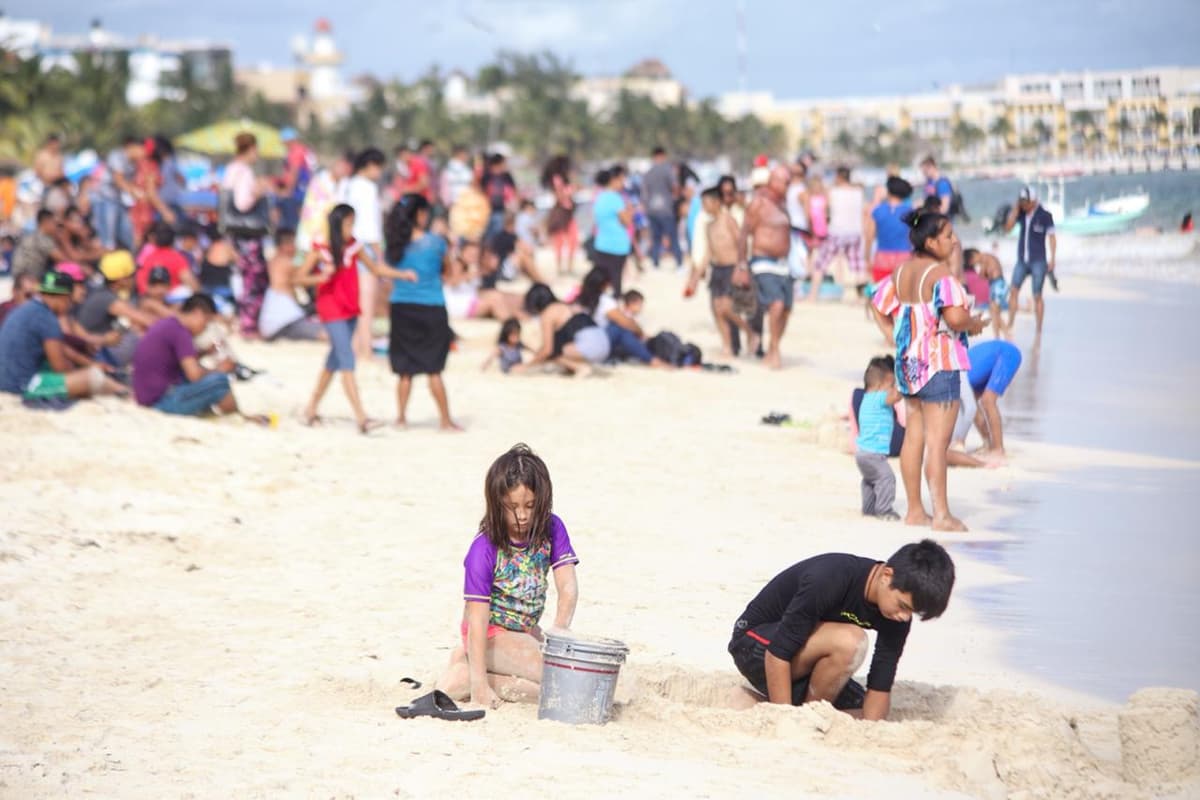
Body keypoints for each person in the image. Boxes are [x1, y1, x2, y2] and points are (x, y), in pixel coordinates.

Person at [727, 540, 955, 721]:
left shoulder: (897, 616)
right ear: (887, 576)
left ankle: (753, 704)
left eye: (911, 613)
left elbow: (881, 683)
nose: (904, 617)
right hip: (755, 648)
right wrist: (784, 719)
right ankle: (798, 717)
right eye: (903, 606)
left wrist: (871, 723)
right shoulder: (830, 578)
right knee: (851, 642)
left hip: (802, 661)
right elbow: (778, 653)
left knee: (866, 710)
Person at [435, 443, 580, 707]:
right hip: (489, 633)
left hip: (525, 630)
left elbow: (567, 585)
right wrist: (480, 688)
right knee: (557, 684)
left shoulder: (552, 528)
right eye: (512, 506)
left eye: (530, 505)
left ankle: (467, 665)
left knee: (562, 674)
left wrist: (559, 633)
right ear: (497, 503)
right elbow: (478, 618)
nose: (522, 515)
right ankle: (470, 675)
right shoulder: (484, 548)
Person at [886, 211, 986, 532]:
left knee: (913, 436)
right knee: (937, 444)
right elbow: (955, 319)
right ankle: (941, 514)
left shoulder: (901, 272)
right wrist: (974, 324)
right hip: (939, 362)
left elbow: (880, 304)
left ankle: (915, 510)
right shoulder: (942, 275)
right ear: (931, 242)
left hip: (907, 363)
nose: (955, 241)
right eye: (948, 236)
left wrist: (898, 337)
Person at [301, 203, 416, 433]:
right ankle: (362, 418)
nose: (351, 228)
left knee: (334, 360)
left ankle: (311, 408)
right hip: (331, 309)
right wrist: (322, 277)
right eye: (348, 223)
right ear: (337, 225)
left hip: (350, 309)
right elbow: (300, 277)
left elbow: (375, 269)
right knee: (346, 360)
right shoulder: (320, 248)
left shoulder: (354, 246)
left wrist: (401, 274)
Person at [384, 193, 461, 431]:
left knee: (405, 370)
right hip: (431, 306)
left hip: (401, 307)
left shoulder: (395, 245)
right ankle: (445, 421)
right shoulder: (436, 242)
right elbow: (450, 273)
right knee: (434, 369)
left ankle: (401, 418)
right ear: (419, 214)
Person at [0, 271, 125, 402]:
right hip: (20, 386)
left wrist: (91, 364)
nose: (69, 306)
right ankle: (122, 391)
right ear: (65, 298)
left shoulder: (24, 309)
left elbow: (61, 348)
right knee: (91, 378)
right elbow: (60, 368)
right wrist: (83, 373)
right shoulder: (47, 318)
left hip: (5, 380)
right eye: (70, 302)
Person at [132, 293, 254, 418]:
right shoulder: (181, 333)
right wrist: (221, 369)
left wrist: (204, 354)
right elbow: (194, 375)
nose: (205, 327)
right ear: (197, 313)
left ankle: (234, 415)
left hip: (147, 398)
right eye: (206, 321)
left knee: (213, 380)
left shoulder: (170, 325)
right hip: (161, 402)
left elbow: (181, 365)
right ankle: (238, 416)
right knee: (220, 380)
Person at [688, 187, 758, 358]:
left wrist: (741, 267)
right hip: (717, 269)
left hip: (731, 267)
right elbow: (708, 253)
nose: (704, 207)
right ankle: (726, 346)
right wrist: (695, 278)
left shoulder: (728, 220)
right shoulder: (708, 225)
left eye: (706, 203)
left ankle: (750, 333)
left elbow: (740, 242)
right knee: (716, 310)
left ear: (716, 202)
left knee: (727, 308)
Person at [736, 165, 794, 370]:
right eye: (783, 181)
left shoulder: (783, 206)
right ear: (772, 182)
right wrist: (741, 265)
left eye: (788, 182)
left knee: (786, 309)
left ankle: (773, 346)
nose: (786, 186)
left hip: (784, 265)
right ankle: (775, 350)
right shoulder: (758, 205)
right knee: (776, 304)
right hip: (763, 261)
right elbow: (744, 234)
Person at [222, 132, 272, 336]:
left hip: (235, 233)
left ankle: (245, 322)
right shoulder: (244, 172)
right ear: (251, 149)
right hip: (248, 234)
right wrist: (259, 191)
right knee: (254, 279)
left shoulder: (230, 169)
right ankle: (249, 324)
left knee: (243, 278)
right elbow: (243, 203)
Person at [341, 147, 388, 359]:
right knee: (366, 304)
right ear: (370, 166)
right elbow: (371, 227)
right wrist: (379, 256)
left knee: (352, 303)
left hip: (345, 247)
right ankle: (366, 350)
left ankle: (352, 347)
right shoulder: (368, 189)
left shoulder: (345, 185)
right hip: (365, 247)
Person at [75, 250, 156, 366]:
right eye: (132, 275)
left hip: (99, 351)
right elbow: (148, 321)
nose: (135, 277)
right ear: (121, 280)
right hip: (96, 355)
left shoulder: (104, 292)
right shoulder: (106, 298)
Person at [576, 270, 667, 368]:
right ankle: (652, 360)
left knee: (621, 334)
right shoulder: (604, 301)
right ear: (605, 284)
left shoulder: (579, 299)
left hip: (578, 343)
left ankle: (648, 357)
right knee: (620, 329)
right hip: (595, 344)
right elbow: (626, 323)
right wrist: (641, 333)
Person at [522, 283, 610, 377]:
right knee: (558, 345)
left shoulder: (547, 314)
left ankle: (579, 367)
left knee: (551, 351)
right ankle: (573, 368)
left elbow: (547, 350)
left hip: (589, 346)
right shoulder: (566, 305)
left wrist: (526, 366)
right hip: (605, 343)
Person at [1004, 185, 1056, 335]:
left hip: (1039, 261)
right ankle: (1010, 324)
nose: (1023, 205)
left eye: (1025, 202)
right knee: (1013, 291)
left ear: (1033, 201)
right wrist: (1015, 209)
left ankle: (1039, 329)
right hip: (1022, 260)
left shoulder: (1045, 216)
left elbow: (1052, 238)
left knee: (1037, 295)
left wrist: (1052, 259)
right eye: (1021, 202)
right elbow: (1007, 229)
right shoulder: (1020, 214)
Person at [856, 356, 902, 520]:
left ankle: (869, 509)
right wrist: (904, 381)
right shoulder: (879, 398)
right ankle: (884, 510)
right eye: (891, 385)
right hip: (873, 454)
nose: (892, 388)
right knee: (886, 477)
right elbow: (897, 396)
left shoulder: (866, 399)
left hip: (862, 453)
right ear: (878, 386)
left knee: (870, 480)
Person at [259, 228, 325, 341]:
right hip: (285, 320)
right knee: (324, 332)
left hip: (277, 321)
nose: (296, 247)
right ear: (284, 245)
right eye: (294, 243)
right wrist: (315, 252)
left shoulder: (275, 260)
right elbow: (303, 266)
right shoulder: (284, 262)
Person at [811, 166, 867, 297]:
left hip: (837, 232)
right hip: (855, 232)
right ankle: (861, 296)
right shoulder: (858, 192)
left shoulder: (833, 192)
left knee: (821, 263)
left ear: (839, 177)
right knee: (858, 267)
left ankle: (813, 295)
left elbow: (825, 208)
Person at [965, 340, 1022, 462]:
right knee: (971, 404)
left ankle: (998, 449)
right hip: (984, 363)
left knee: (988, 400)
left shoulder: (958, 382)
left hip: (1007, 355)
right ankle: (988, 443)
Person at [91, 137, 143, 250]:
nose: (142, 153)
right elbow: (118, 179)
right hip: (105, 199)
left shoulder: (133, 163)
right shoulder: (117, 156)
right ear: (132, 146)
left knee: (127, 233)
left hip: (118, 200)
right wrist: (135, 193)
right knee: (108, 237)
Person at [591, 167, 633, 297]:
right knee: (616, 282)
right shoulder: (615, 198)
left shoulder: (599, 197)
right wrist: (630, 210)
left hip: (601, 244)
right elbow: (626, 221)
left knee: (600, 282)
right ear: (613, 180)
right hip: (617, 245)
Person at [865, 176, 913, 284]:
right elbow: (916, 234)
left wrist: (867, 258)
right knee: (902, 296)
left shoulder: (877, 211)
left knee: (882, 295)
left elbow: (869, 237)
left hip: (882, 259)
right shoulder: (912, 212)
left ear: (889, 191)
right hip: (904, 258)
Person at [135, 221, 199, 297]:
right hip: (169, 301)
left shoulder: (147, 257)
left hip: (149, 298)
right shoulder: (176, 258)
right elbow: (191, 283)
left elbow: (141, 284)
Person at [641, 146, 680, 269]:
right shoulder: (667, 170)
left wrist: (645, 206)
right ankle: (679, 262)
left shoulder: (648, 173)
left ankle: (655, 262)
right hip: (666, 209)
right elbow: (675, 187)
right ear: (662, 156)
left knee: (655, 237)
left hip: (652, 209)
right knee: (672, 236)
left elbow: (644, 193)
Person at [541, 155, 578, 275]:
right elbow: (559, 196)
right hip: (561, 213)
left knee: (572, 239)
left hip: (568, 213)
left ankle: (568, 267)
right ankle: (561, 268)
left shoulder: (564, 179)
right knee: (560, 241)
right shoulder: (558, 179)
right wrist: (569, 191)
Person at [963, 248, 1010, 339]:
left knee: (995, 312)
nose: (975, 265)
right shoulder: (987, 258)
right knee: (995, 313)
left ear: (974, 255)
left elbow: (982, 275)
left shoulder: (984, 257)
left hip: (998, 284)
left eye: (973, 263)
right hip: (996, 284)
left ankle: (999, 336)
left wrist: (981, 273)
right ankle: (1005, 334)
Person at [12, 209, 68, 279]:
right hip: (27, 279)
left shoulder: (33, 235)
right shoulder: (42, 238)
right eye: (54, 223)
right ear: (46, 222)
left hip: (22, 276)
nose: (56, 227)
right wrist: (65, 239)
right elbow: (63, 259)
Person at [785, 161, 811, 280]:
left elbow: (807, 211)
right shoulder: (792, 188)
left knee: (800, 254)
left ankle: (803, 278)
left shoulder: (800, 190)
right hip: (792, 226)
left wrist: (809, 227)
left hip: (798, 227)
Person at [482, 153, 516, 240]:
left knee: (497, 235)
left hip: (500, 211)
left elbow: (513, 192)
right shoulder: (486, 176)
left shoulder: (506, 176)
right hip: (485, 211)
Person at [440, 145, 475, 210]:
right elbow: (444, 189)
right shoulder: (448, 170)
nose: (467, 156)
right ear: (460, 154)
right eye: (465, 154)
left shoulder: (467, 170)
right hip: (453, 204)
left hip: (465, 204)